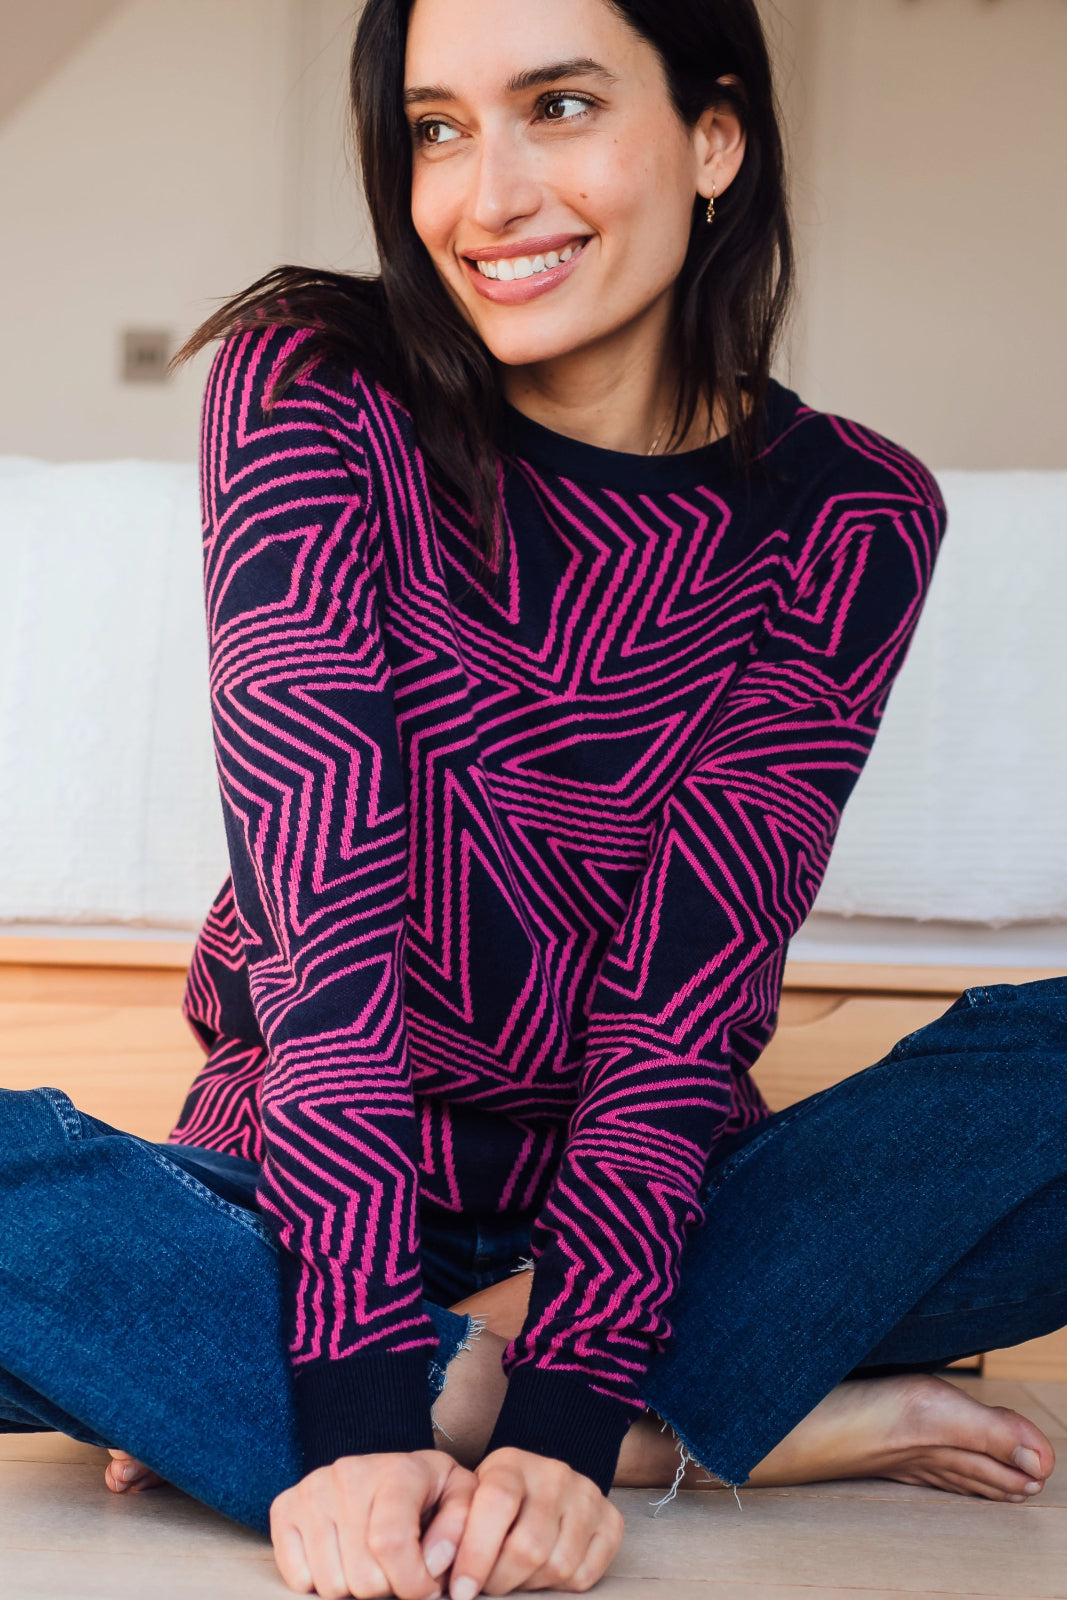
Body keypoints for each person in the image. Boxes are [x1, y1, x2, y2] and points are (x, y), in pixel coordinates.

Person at [2, 1, 1065, 1597]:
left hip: (674, 1216)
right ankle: (697, 1420)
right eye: (435, 127)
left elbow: (686, 1004)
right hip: (291, 1200)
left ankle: (368, 1376)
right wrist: (376, 1392)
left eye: (557, 106)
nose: (484, 195)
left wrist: (560, 1408)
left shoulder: (853, 508)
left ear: (715, 138)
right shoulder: (314, 385)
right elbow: (329, 946)